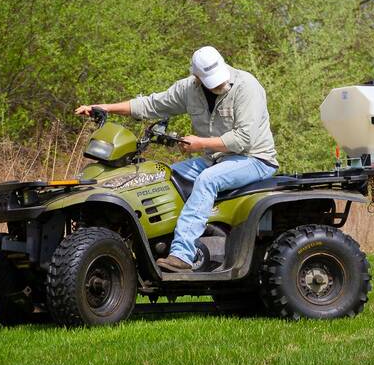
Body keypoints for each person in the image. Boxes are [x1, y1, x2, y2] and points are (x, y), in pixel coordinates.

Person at [75, 46, 278, 272]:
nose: (218, 84)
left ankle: (182, 254)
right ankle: (157, 244)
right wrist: (104, 108)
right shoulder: (188, 89)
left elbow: (244, 139)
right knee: (163, 176)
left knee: (208, 180)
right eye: (209, 80)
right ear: (196, 76)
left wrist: (200, 144)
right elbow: (150, 105)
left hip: (254, 159)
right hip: (216, 158)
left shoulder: (246, 86)